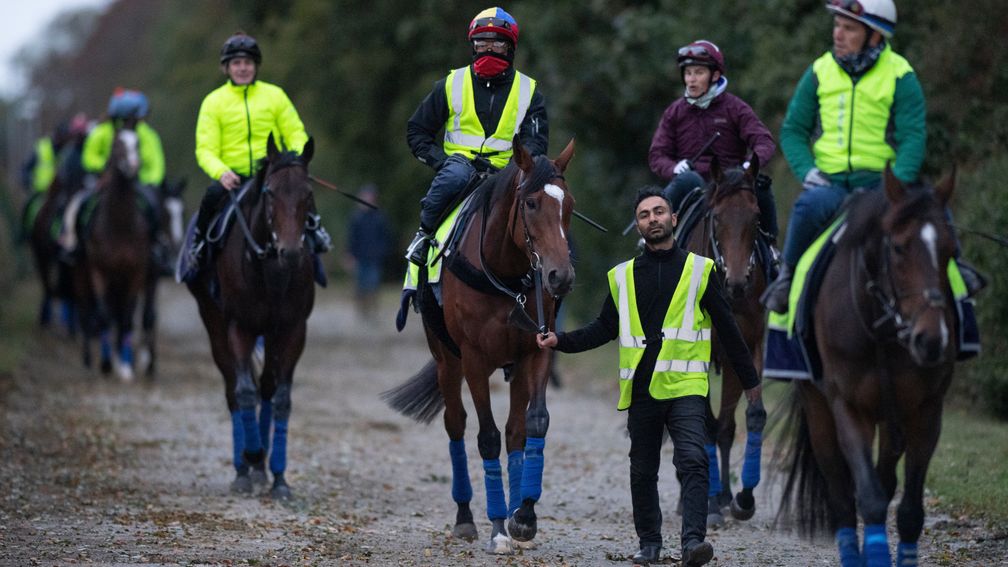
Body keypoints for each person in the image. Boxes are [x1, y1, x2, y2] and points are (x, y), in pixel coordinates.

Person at [536, 188, 761, 566]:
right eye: (644, 214)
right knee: (642, 469)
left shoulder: (702, 271)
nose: (653, 218)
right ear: (638, 226)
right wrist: (561, 340)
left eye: (659, 212)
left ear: (673, 220)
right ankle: (650, 544)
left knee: (692, 459)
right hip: (641, 388)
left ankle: (692, 543)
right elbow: (604, 328)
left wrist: (752, 385)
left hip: (687, 387)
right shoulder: (622, 277)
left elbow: (731, 333)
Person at [761, 0, 981, 312]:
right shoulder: (819, 71)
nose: (838, 34)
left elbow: (913, 138)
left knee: (932, 207)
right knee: (807, 208)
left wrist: (898, 185)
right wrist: (808, 172)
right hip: (831, 185)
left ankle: (957, 270)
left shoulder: (901, 75)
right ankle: (787, 276)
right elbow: (793, 130)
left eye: (848, 28)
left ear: (875, 36)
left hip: (884, 185)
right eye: (837, 25)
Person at [404, 6, 548, 265]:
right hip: (460, 171)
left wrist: (515, 169)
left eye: (498, 43)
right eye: (482, 43)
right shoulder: (449, 84)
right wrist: (441, 161)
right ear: (473, 45)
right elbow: (417, 131)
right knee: (455, 176)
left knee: (550, 203)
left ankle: (553, 273)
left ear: (510, 48)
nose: (489, 49)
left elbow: (536, 142)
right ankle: (423, 237)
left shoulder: (530, 91)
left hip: (508, 175)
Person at [187, 31, 328, 269]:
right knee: (211, 197)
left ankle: (318, 235)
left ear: (256, 66)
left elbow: (294, 131)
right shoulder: (213, 102)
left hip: (274, 171)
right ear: (227, 68)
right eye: (237, 63)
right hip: (234, 177)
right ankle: (199, 247)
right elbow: (205, 149)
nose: (243, 68)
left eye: (248, 63)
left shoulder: (275, 96)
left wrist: (294, 160)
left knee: (300, 192)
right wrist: (221, 172)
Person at [648, 40, 778, 242]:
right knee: (688, 179)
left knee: (761, 184)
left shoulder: (735, 108)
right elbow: (657, 155)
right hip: (692, 183)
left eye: (698, 73)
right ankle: (653, 238)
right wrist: (674, 168)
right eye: (688, 73)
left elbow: (764, 142)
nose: (691, 79)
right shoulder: (674, 112)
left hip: (730, 182)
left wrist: (748, 166)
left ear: (715, 75)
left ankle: (771, 246)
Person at [59, 89, 165, 261]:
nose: (140, 119)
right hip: (105, 180)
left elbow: (156, 162)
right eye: (137, 116)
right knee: (79, 204)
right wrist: (105, 169)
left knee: (154, 205)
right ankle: (75, 244)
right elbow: (89, 157)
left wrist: (149, 181)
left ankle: (157, 244)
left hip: (138, 183)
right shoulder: (101, 131)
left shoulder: (147, 134)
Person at [346, 184, 393, 319]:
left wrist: (381, 252)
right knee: (360, 288)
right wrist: (349, 255)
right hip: (359, 258)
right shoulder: (356, 218)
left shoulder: (380, 218)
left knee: (373, 286)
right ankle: (362, 313)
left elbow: (386, 238)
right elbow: (351, 238)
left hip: (374, 259)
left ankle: (373, 313)